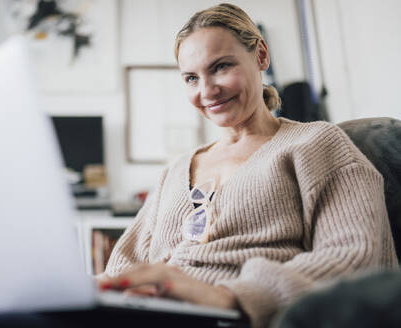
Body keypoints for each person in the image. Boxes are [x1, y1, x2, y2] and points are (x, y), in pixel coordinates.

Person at [97, 3, 398, 328]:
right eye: (191, 78)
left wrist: (233, 296)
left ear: (261, 56)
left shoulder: (316, 143)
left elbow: (354, 257)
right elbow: (122, 265)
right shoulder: (175, 170)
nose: (207, 91)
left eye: (222, 67)